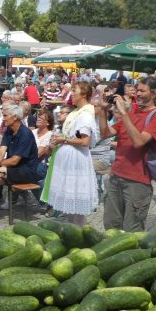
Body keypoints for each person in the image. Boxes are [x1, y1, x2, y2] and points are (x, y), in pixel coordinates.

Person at [96, 76, 156, 232]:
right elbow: (105, 133)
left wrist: (124, 114)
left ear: (154, 93)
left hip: (138, 181)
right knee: (111, 225)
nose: (137, 94)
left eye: (142, 91)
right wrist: (103, 109)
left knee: (132, 230)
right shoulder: (133, 111)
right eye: (137, 90)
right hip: (116, 176)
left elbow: (139, 142)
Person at [41, 82, 99, 225]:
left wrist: (64, 139)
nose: (71, 93)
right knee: (70, 201)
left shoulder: (85, 114)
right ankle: (71, 227)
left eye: (74, 90)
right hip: (68, 159)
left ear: (83, 94)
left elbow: (85, 141)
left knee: (75, 198)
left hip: (76, 159)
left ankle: (77, 229)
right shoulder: (76, 112)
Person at [0, 104, 39, 213]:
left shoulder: (25, 133)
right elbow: (1, 150)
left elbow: (15, 160)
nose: (3, 118)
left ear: (15, 117)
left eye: (5, 115)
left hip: (27, 171)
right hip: (14, 169)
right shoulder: (9, 130)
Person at [33, 108, 54, 181]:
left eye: (41, 118)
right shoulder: (33, 132)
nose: (38, 119)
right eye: (38, 117)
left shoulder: (50, 135)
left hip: (41, 165)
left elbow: (38, 154)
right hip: (29, 161)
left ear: (47, 123)